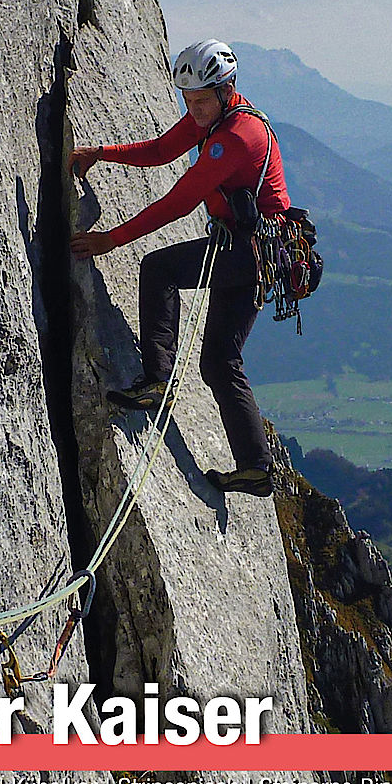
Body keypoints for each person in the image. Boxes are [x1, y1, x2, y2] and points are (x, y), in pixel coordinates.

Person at [68, 40, 290, 496]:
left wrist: (112, 239)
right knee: (220, 361)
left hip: (251, 252)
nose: (195, 110)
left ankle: (156, 380)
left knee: (159, 269)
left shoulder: (236, 137)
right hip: (262, 253)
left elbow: (180, 200)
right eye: (188, 101)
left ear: (226, 90)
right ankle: (256, 467)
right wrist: (103, 153)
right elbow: (163, 149)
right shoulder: (220, 116)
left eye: (201, 101)